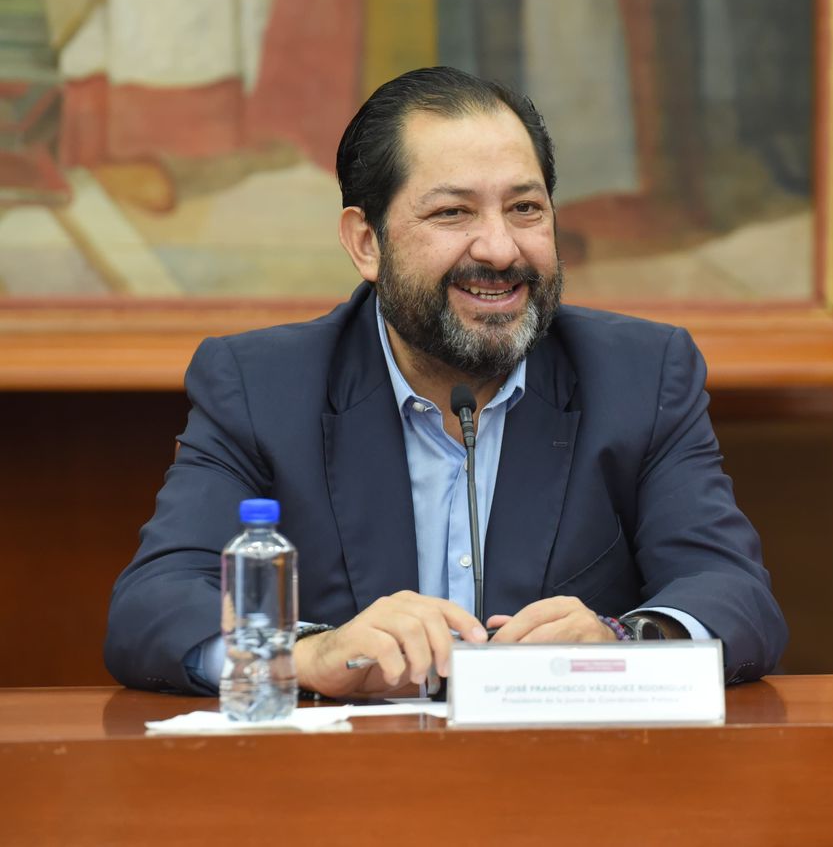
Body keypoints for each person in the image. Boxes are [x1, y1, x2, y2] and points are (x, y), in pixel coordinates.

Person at [106, 66, 787, 697]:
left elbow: (735, 596)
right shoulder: (263, 386)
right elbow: (154, 606)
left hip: (565, 774)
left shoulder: (641, 375)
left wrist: (623, 641)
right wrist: (308, 655)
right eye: (453, 213)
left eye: (525, 208)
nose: (500, 249)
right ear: (366, 242)